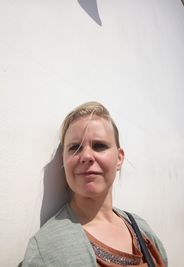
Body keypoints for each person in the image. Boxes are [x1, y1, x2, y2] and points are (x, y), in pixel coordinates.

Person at [22, 101, 168, 267]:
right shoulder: (45, 250)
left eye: (99, 146)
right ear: (64, 159)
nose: (86, 156)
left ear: (119, 158)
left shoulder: (141, 228)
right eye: (75, 147)